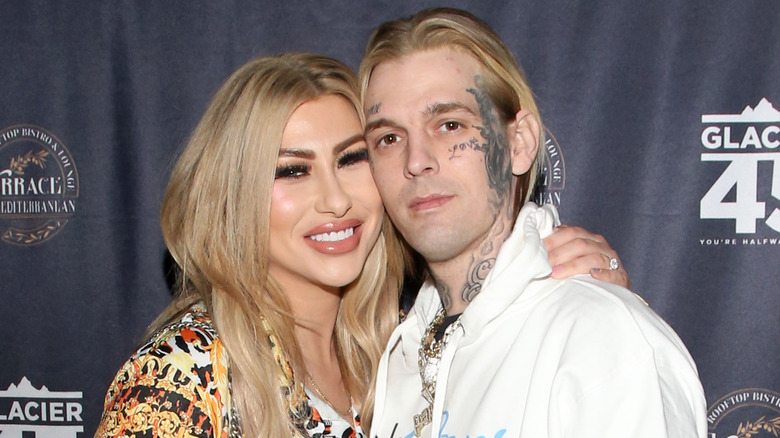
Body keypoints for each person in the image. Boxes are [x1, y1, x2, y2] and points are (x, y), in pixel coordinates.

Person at [95, 54, 630, 438]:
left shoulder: (396, 345)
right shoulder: (183, 372)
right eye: (292, 170)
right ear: (234, 195)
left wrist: (600, 305)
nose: (335, 200)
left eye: (353, 159)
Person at [359, 8, 707, 438]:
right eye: (388, 138)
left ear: (519, 143)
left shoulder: (600, 340)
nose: (416, 161)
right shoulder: (401, 354)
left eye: (449, 125)